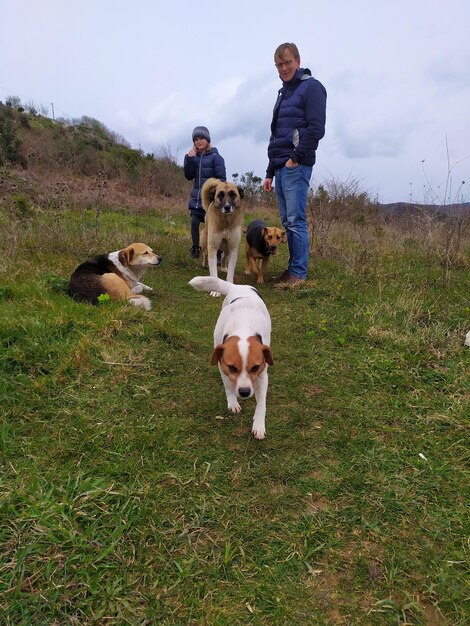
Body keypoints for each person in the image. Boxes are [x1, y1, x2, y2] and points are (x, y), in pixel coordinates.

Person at [262, 43, 327, 286]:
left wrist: (295, 159)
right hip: (281, 167)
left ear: (298, 61)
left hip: (295, 165)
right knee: (288, 222)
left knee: (296, 220)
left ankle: (297, 274)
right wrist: (270, 171)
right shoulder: (284, 93)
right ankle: (293, 271)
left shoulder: (312, 88)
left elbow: (316, 129)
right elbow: (276, 135)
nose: (284, 68)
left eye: (288, 62)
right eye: (279, 65)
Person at [184, 126, 226, 259]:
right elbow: (188, 176)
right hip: (197, 199)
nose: (199, 141)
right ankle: (196, 248)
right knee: (195, 221)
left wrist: (213, 193)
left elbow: (222, 179)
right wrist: (189, 159)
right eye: (196, 139)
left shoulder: (216, 157)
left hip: (211, 200)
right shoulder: (192, 156)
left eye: (201, 138)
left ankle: (218, 252)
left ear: (207, 140)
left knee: (214, 227)